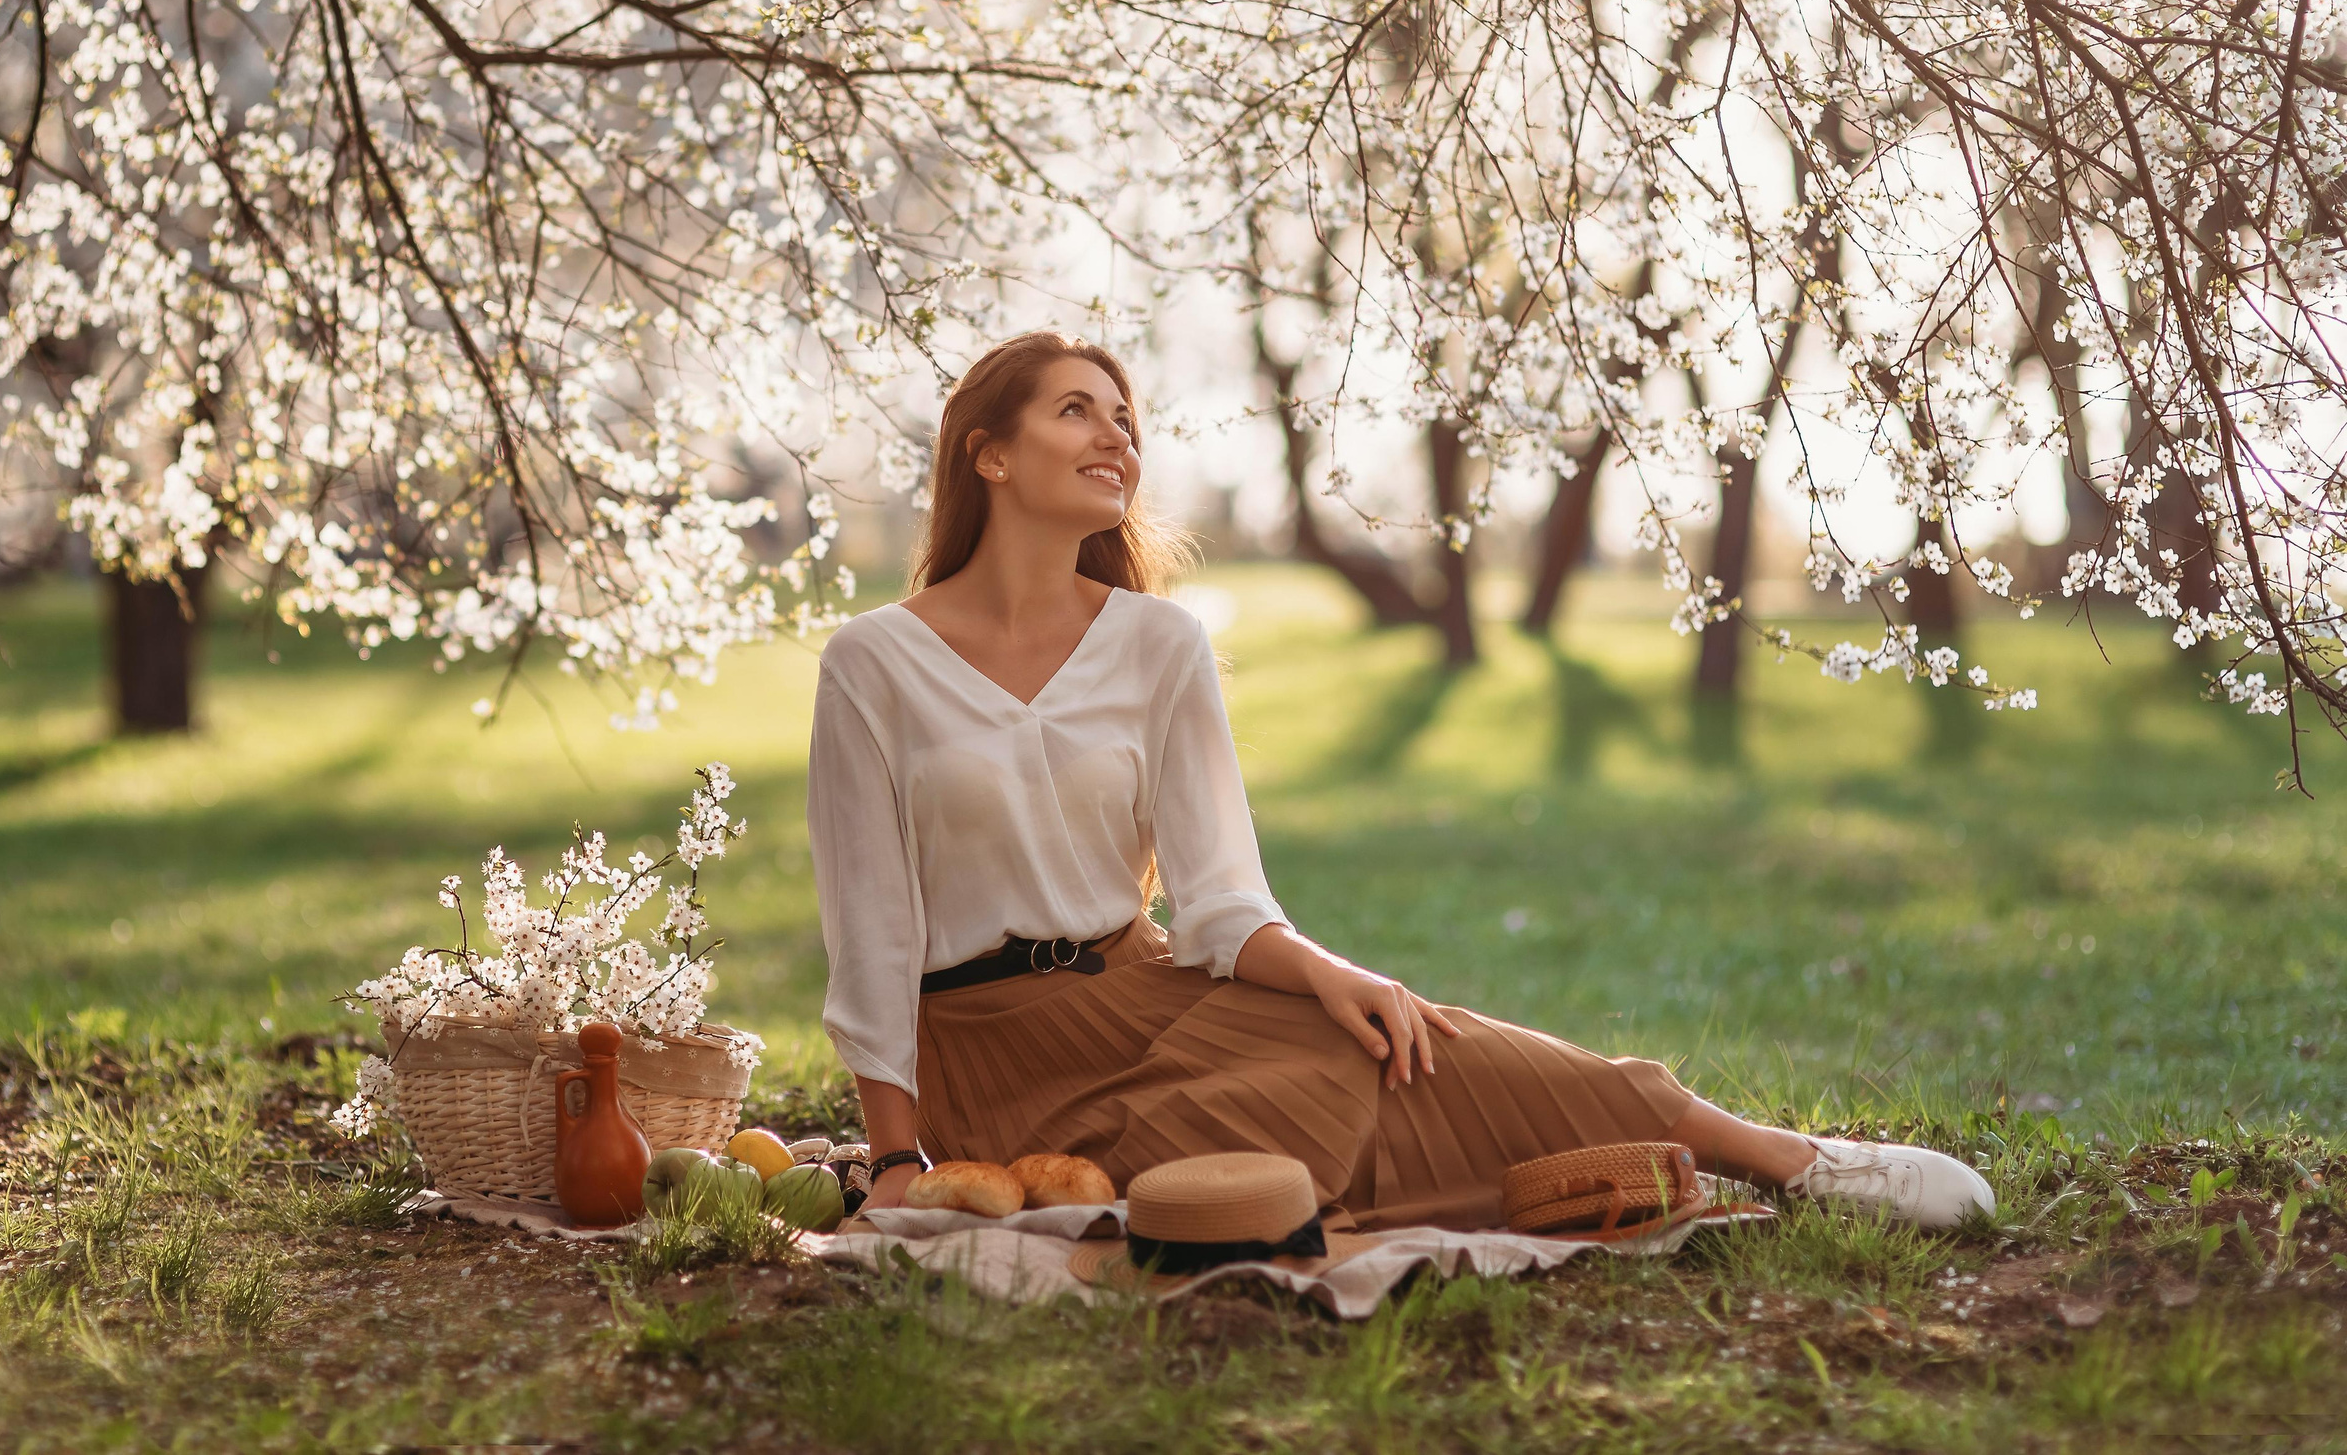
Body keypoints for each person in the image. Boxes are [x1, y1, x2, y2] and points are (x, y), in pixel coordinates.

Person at [810, 331, 1995, 1231]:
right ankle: (1614, 1173)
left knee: (1402, 1038)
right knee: (1278, 1147)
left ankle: (1785, 1157)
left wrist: (1331, 970)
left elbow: (1219, 899)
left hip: (1148, 997)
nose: (1117, 437)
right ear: (991, 451)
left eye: (1127, 418)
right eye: (1078, 411)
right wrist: (897, 1157)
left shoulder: (1156, 642)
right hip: (985, 1052)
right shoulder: (873, 661)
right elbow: (871, 928)